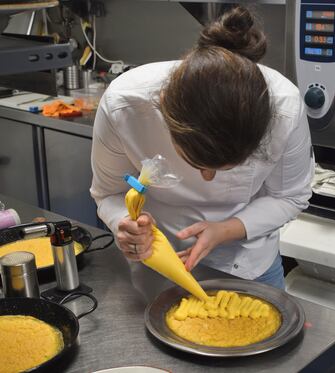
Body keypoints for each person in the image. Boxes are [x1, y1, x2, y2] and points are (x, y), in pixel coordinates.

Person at [90, 6, 314, 290]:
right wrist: (127, 225)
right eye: (197, 164)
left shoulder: (284, 108)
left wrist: (224, 230)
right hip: (160, 260)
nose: (208, 178)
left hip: (249, 264)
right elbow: (108, 192)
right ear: (166, 109)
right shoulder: (126, 105)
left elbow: (290, 196)